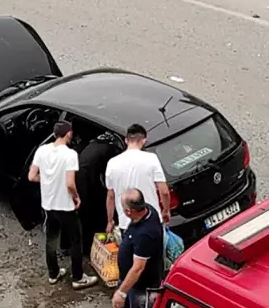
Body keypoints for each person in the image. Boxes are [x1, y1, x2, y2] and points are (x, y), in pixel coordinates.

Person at [29, 121, 99, 290]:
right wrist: (76, 197)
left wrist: (46, 180)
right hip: (65, 205)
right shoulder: (70, 155)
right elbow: (70, 183)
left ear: (54, 134)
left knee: (51, 239)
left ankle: (53, 273)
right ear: (69, 134)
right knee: (76, 240)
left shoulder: (42, 150)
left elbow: (31, 176)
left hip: (48, 204)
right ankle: (77, 277)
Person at [111, 189, 164, 308]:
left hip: (142, 290)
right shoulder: (148, 212)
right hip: (132, 285)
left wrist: (122, 291)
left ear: (128, 212)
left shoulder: (145, 235)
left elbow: (138, 267)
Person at [105, 124, 171, 237]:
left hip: (126, 223)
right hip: (151, 220)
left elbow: (110, 196)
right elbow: (164, 191)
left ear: (126, 140)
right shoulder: (151, 158)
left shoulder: (112, 163)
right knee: (155, 253)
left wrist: (110, 221)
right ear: (144, 140)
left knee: (132, 254)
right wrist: (166, 210)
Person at [78, 136, 123, 241]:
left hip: (83, 177)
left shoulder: (94, 146)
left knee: (85, 211)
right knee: (88, 210)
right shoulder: (110, 151)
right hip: (86, 179)